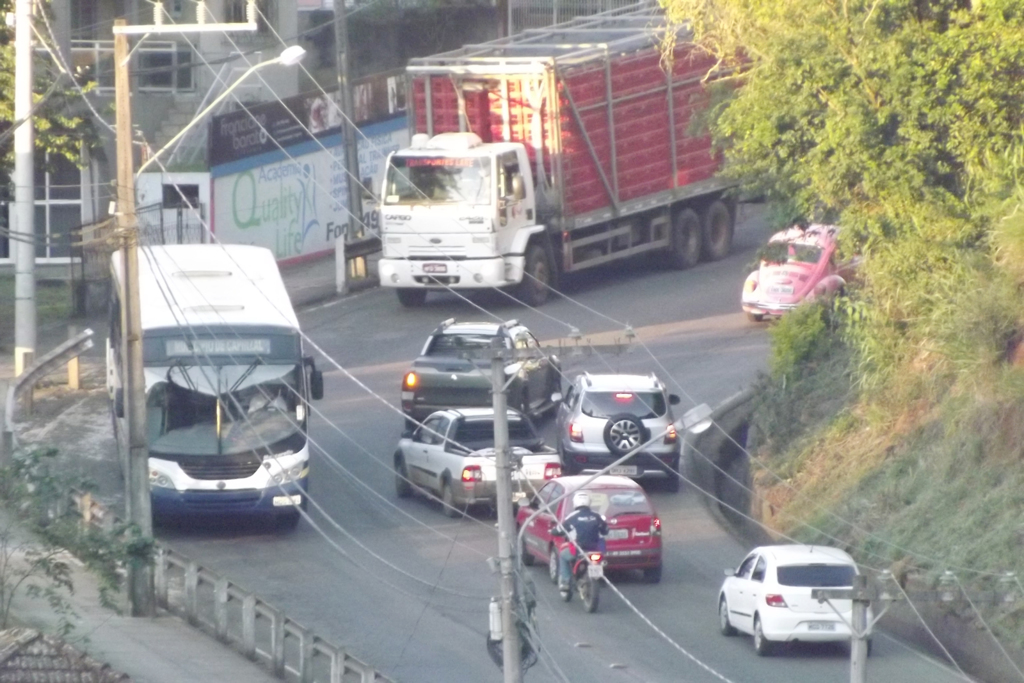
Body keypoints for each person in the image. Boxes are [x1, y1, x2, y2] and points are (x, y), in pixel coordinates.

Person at [557, 491, 608, 591]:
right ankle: (600, 577)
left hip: (579, 550)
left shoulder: (572, 517)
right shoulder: (597, 516)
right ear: (589, 502)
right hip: (597, 550)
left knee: (563, 556)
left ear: (575, 502)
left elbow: (559, 530)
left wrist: (553, 531)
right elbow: (605, 530)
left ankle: (566, 581)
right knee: (601, 561)